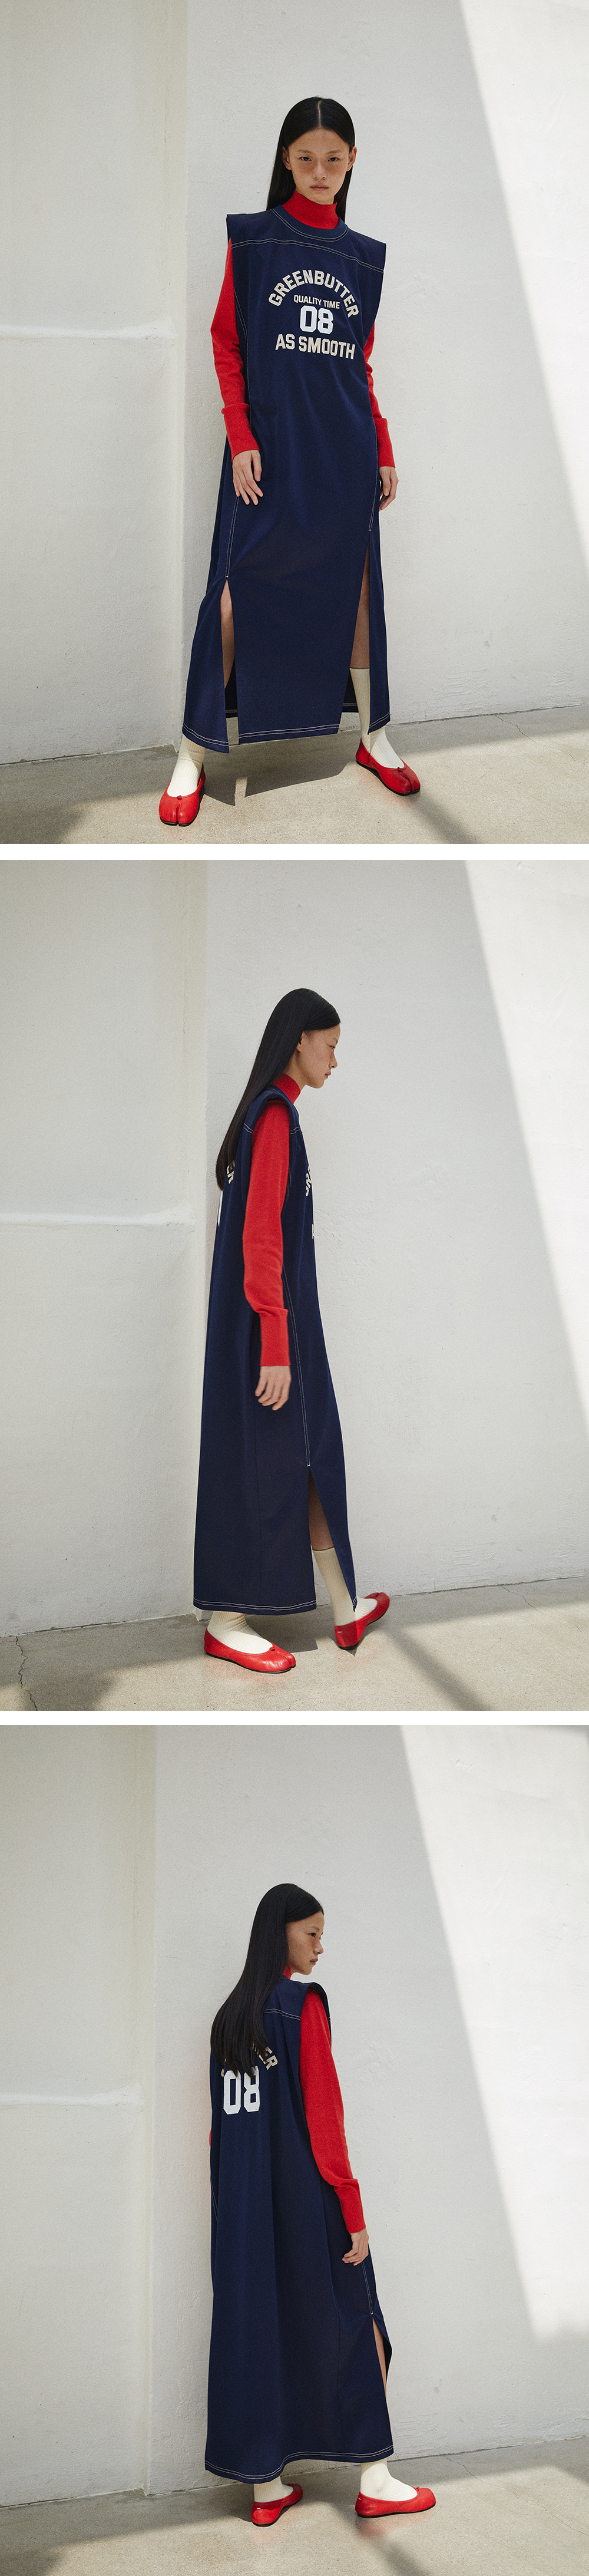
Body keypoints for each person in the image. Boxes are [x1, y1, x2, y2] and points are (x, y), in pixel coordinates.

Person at [160, 94, 419, 827]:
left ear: (352, 161)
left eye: (333, 159)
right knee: (233, 592)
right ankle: (193, 751)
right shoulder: (253, 242)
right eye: (306, 158)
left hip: (343, 452)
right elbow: (226, 343)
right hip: (269, 453)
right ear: (286, 159)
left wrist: (382, 445)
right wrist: (241, 436)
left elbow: (358, 366)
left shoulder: (363, 259)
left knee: (358, 589)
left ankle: (373, 737)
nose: (319, 171)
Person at [207, 1882, 436, 2525]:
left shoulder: (228, 2019)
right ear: (279, 1932)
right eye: (311, 1933)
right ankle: (376, 2480)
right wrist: (352, 2212)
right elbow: (324, 2117)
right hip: (309, 2204)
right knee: (361, 2323)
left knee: (260, 2332)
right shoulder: (300, 2006)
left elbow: (218, 2135)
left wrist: (230, 2218)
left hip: (242, 2215)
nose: (319, 1947)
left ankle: (266, 2491)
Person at [194, 987, 390, 1672]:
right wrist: (274, 1345)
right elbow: (261, 1240)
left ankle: (344, 1605)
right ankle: (226, 1620)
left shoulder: (277, 1115)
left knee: (309, 1457)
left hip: (284, 1327)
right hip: (269, 1332)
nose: (335, 1060)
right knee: (256, 1463)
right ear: (300, 1040)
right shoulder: (273, 1116)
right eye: (330, 1045)